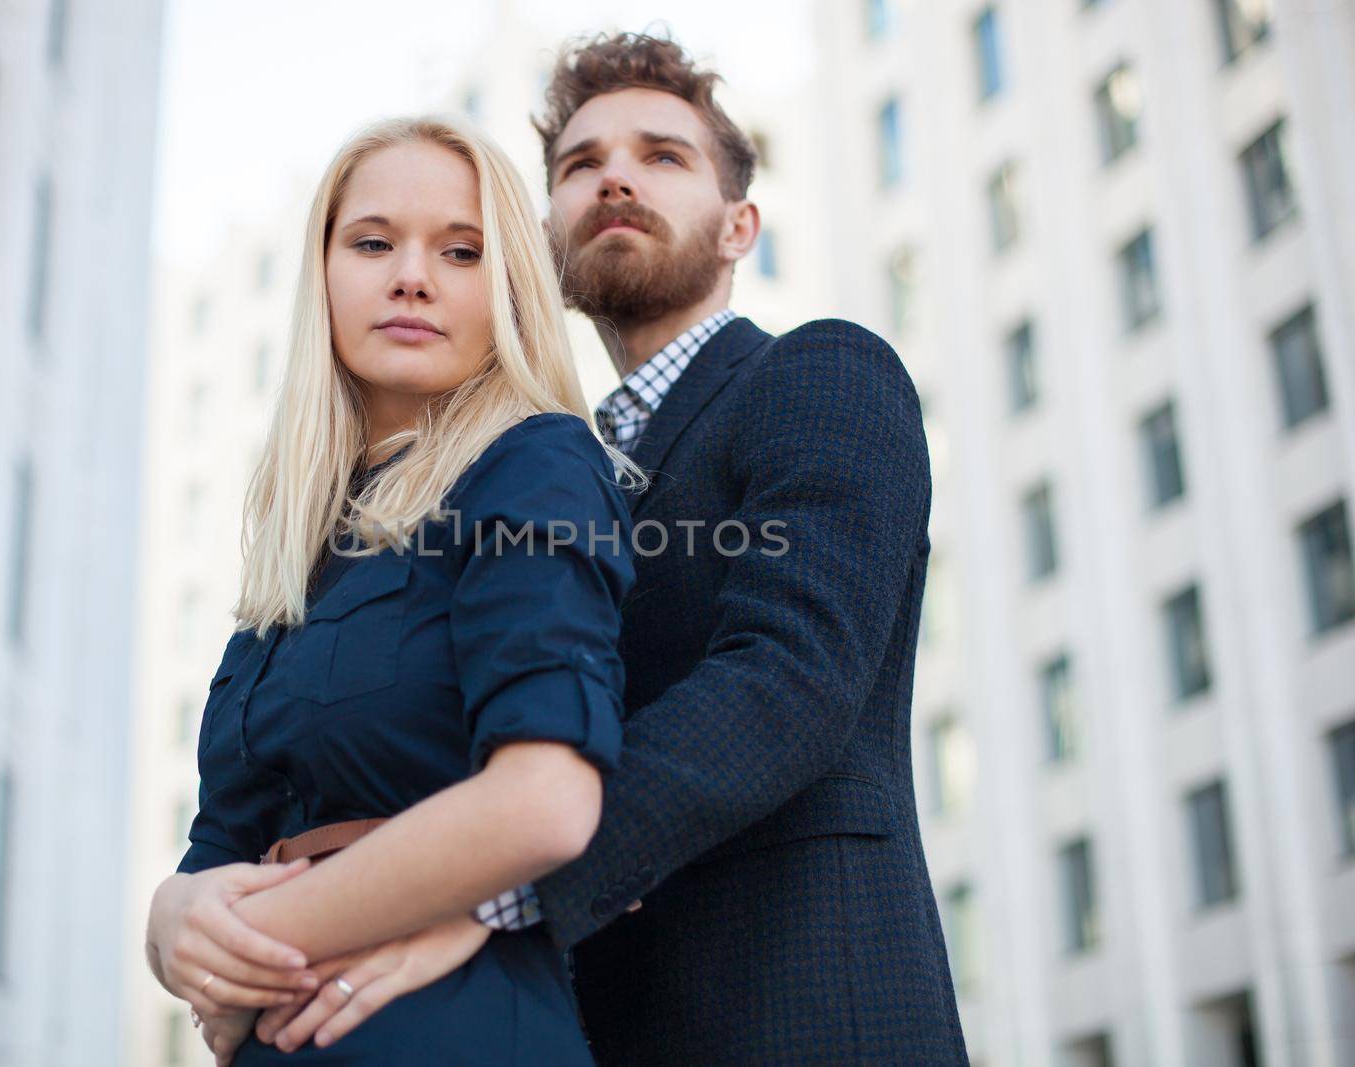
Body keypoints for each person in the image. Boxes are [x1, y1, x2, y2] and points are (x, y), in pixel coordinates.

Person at [249, 31, 970, 1065]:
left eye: (662, 156)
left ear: (739, 225)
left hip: (801, 1013)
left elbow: (790, 677)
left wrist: (500, 884)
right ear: (541, 237)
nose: (614, 177)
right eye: (579, 165)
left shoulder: (822, 373)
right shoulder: (528, 472)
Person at [143, 114, 648, 1064]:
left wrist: (269, 936)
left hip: (454, 1029)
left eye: (462, 251)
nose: (411, 275)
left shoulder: (536, 462)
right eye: (373, 242)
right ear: (322, 272)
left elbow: (543, 801)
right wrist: (169, 923)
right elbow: (221, 844)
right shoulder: (298, 546)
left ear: (507, 288)